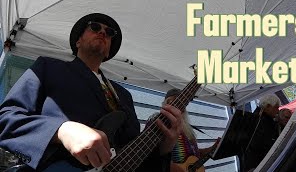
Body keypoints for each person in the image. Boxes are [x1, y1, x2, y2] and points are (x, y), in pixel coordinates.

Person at [0, 13, 183, 171]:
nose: (103, 32)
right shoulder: (48, 67)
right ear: (78, 41)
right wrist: (61, 131)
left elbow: (133, 157)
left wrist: (163, 149)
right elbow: (6, 119)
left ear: (108, 51)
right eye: (95, 27)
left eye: (109, 32)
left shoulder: (124, 95)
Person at [159, 88, 216, 172]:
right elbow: (151, 156)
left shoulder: (187, 127)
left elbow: (193, 155)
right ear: (167, 103)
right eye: (176, 102)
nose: (181, 106)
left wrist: (212, 148)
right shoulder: (159, 121)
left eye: (183, 103)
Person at [240, 94, 281, 171]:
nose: (278, 111)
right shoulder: (258, 120)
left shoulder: (263, 119)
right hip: (257, 165)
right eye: (276, 107)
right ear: (268, 106)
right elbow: (260, 145)